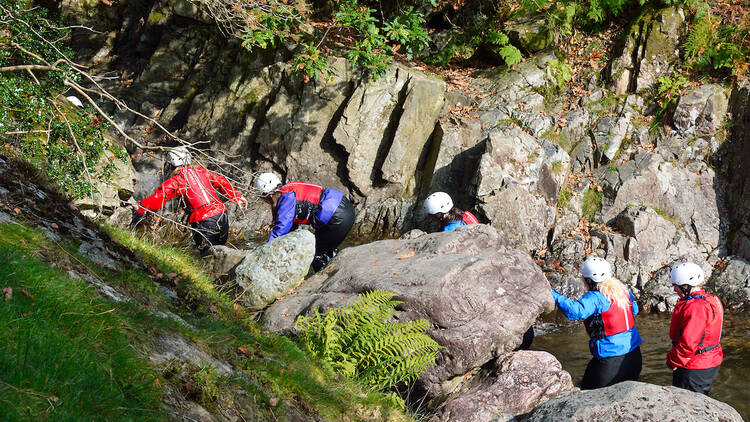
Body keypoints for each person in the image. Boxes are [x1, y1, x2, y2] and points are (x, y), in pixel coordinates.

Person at [131, 146, 247, 254]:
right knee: (220, 252)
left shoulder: (178, 180)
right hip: (222, 215)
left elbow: (159, 197)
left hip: (205, 220)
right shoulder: (202, 171)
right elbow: (222, 181)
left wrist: (141, 207)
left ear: (172, 164)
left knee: (207, 254)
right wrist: (237, 196)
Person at [551, 256, 642, 390]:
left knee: (588, 395)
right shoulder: (624, 291)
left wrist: (553, 294)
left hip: (610, 360)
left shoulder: (596, 297)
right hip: (634, 356)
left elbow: (576, 312)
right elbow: (634, 310)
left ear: (588, 280)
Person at [254, 172, 355, 272]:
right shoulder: (289, 189)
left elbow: (280, 230)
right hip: (343, 206)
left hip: (337, 216)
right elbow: (291, 226)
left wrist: (265, 252)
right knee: (325, 249)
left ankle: (326, 284)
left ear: (268, 196)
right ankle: (341, 270)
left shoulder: (286, 199)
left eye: (264, 200)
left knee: (316, 255)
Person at [667, 262, 724, 396]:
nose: (675, 289)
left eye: (677, 286)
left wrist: (673, 361)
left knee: (686, 403)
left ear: (687, 286)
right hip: (708, 361)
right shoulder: (711, 299)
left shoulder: (696, 307)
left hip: (695, 364)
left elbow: (688, 344)